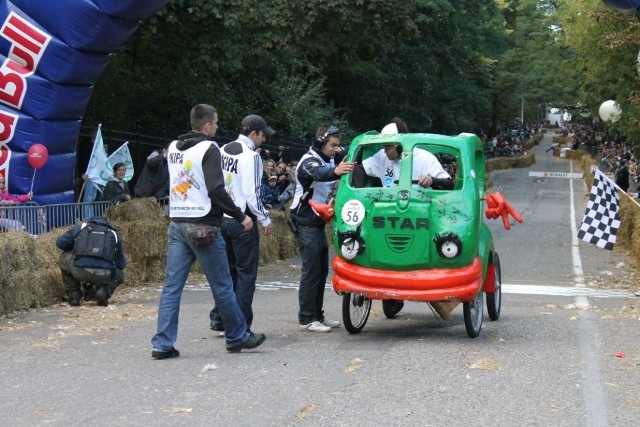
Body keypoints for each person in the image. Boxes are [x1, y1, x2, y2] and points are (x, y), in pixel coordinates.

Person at [151, 104, 266, 359]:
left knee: (172, 287)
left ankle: (162, 343)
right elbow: (216, 188)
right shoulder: (209, 148)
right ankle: (237, 336)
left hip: (177, 221)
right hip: (203, 224)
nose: (216, 127)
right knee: (223, 285)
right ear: (206, 126)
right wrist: (240, 215)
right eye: (215, 123)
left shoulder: (172, 148)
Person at [209, 114, 275, 334]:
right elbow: (252, 194)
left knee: (227, 273)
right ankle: (241, 326)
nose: (264, 140)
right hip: (242, 220)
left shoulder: (222, 149)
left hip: (223, 218)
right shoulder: (251, 157)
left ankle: (220, 317)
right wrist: (265, 218)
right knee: (246, 275)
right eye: (263, 135)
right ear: (253, 133)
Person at [289, 124, 354, 332]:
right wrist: (336, 170)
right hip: (304, 220)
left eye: (338, 145)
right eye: (333, 145)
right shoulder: (309, 161)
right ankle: (307, 317)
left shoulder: (327, 157)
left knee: (321, 269)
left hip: (316, 222)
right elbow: (319, 173)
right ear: (320, 143)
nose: (336, 149)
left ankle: (317, 314)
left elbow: (350, 150)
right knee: (311, 271)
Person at [354, 117, 454, 190]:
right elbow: (360, 169)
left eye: (388, 147)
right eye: (383, 147)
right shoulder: (382, 156)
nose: (385, 151)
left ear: (400, 145)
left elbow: (449, 184)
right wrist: (360, 191)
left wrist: (432, 181)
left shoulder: (426, 158)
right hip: (389, 206)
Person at [56, 216, 126, 307]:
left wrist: (75, 248)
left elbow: (60, 243)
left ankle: (74, 296)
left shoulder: (82, 227)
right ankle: (104, 290)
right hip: (105, 274)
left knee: (63, 257)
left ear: (91, 221)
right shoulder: (113, 234)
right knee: (120, 275)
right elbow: (121, 264)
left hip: (81, 270)